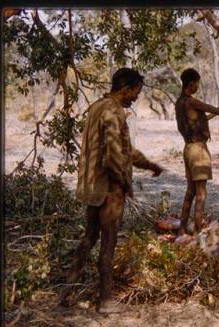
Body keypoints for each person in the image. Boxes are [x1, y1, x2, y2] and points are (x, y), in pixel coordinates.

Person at [58, 68, 163, 313]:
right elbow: (115, 156)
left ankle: (65, 291)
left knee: (88, 238)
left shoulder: (98, 107)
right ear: (126, 88)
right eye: (136, 92)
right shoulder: (114, 112)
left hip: (92, 186)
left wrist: (148, 164)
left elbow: (124, 150)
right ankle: (106, 301)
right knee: (108, 242)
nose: (136, 97)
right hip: (109, 189)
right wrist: (125, 185)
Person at [175, 68, 219, 236]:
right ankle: (197, 233)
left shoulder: (180, 103)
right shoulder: (191, 102)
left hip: (187, 148)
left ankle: (182, 229)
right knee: (201, 193)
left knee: (190, 191)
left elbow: (198, 120)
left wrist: (211, 117)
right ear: (191, 83)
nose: (197, 87)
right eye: (197, 84)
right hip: (198, 149)